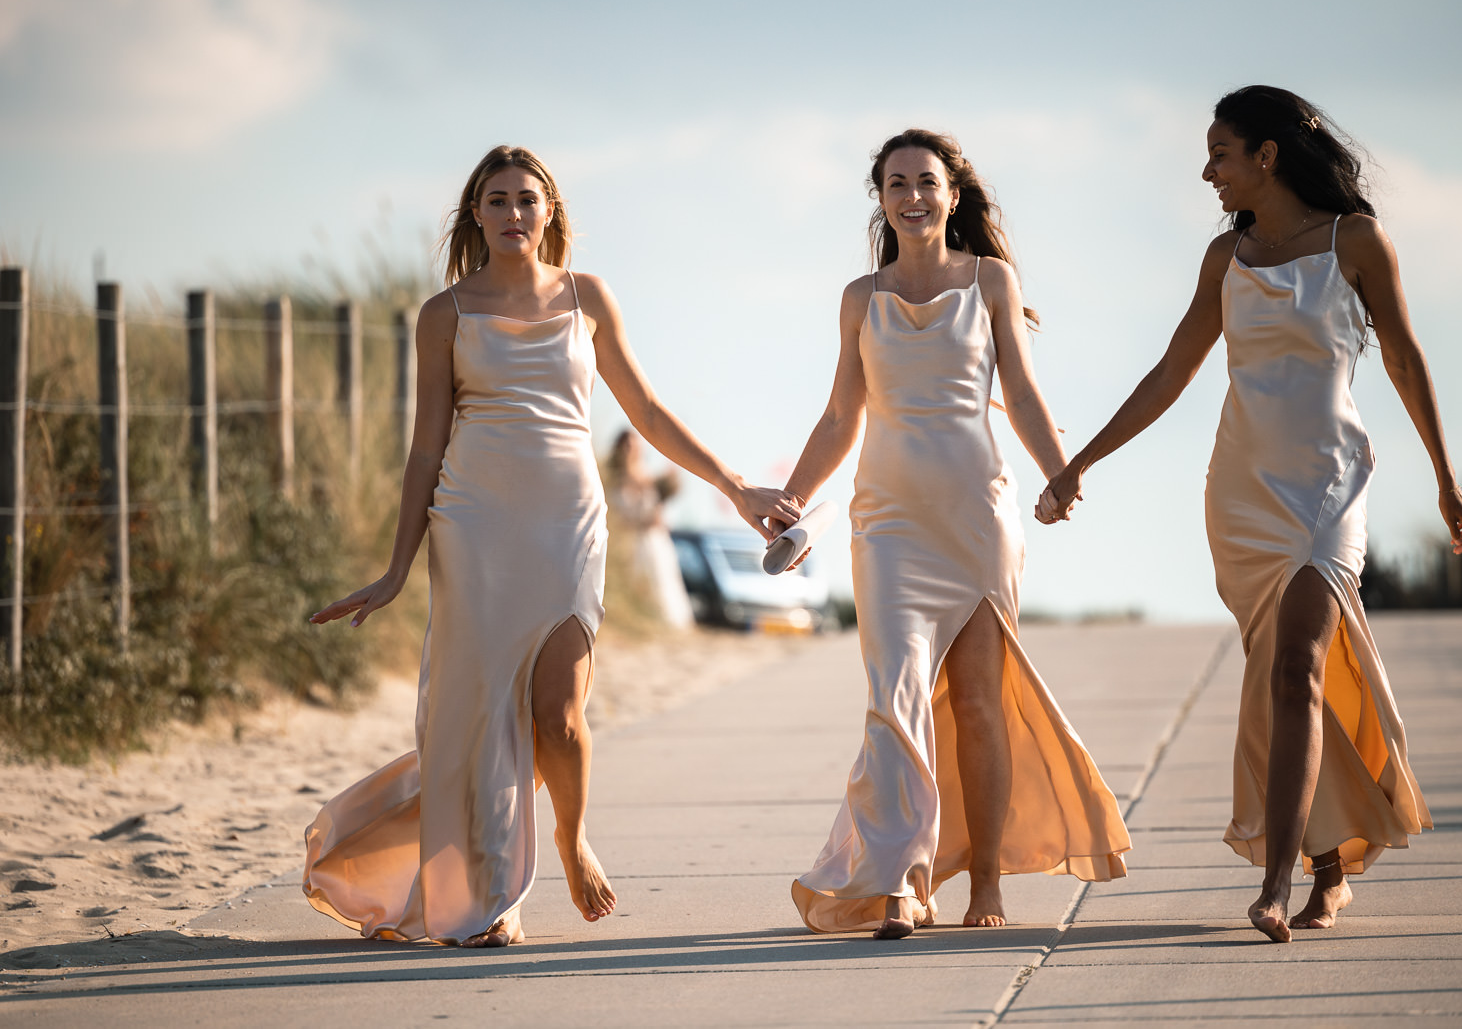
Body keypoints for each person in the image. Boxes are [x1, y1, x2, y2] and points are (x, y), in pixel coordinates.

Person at [303, 145, 799, 947]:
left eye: (527, 200)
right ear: (476, 215)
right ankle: (498, 892)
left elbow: (645, 408)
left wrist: (736, 485)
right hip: (473, 529)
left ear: (551, 212)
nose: (512, 214)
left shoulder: (587, 296)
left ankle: (566, 841)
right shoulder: (446, 314)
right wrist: (398, 566)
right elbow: (426, 448)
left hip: (568, 522)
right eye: (496, 201)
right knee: (475, 715)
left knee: (558, 715)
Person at [1037, 86, 1462, 942]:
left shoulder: (1357, 240)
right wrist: (1078, 461)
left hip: (1327, 486)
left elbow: (1403, 356)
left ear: (1268, 156)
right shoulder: (1223, 259)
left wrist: (1446, 478)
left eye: (1221, 154)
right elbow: (1171, 372)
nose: (1208, 171)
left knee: (1299, 670)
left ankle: (1276, 881)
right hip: (1242, 491)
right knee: (1283, 680)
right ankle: (1322, 864)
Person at [779, 129, 1130, 940]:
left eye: (927, 182)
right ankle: (899, 881)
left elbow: (1026, 392)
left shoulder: (991, 281)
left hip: (978, 514)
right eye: (897, 183)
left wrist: (1060, 470)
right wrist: (794, 497)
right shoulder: (859, 298)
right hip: (889, 522)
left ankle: (983, 885)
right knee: (894, 694)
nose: (913, 196)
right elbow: (842, 414)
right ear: (881, 196)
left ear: (954, 193)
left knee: (977, 703)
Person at [605, 428, 695, 630]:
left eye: (633, 444)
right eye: (626, 444)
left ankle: (666, 623)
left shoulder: (650, 477)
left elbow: (659, 515)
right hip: (628, 541)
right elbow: (615, 515)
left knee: (661, 580)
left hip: (653, 541)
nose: (629, 449)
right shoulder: (613, 479)